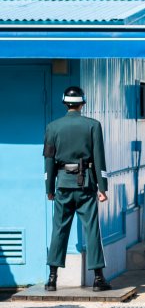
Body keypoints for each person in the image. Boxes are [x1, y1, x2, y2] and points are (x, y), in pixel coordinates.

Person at [43, 86, 112, 292]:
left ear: (65, 103)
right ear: (83, 103)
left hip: (63, 184)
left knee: (59, 229)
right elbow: (99, 158)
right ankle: (98, 279)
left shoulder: (52, 127)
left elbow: (49, 160)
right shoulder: (93, 126)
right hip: (86, 185)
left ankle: (52, 278)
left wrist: (49, 187)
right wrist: (103, 187)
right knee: (91, 229)